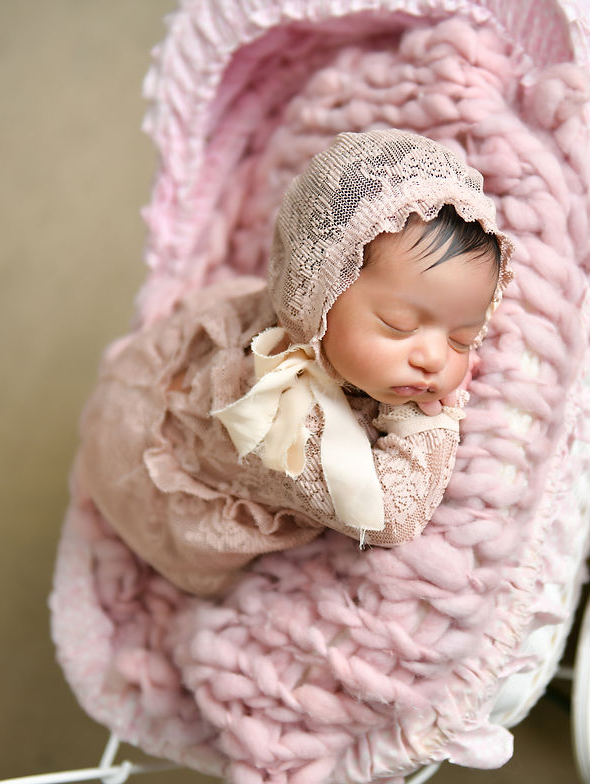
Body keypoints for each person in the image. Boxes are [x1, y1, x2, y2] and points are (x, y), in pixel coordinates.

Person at [74, 129, 514, 597]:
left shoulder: (325, 319)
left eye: (463, 337)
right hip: (143, 459)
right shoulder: (283, 420)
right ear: (318, 295)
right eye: (399, 325)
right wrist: (428, 421)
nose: (433, 358)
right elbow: (389, 515)